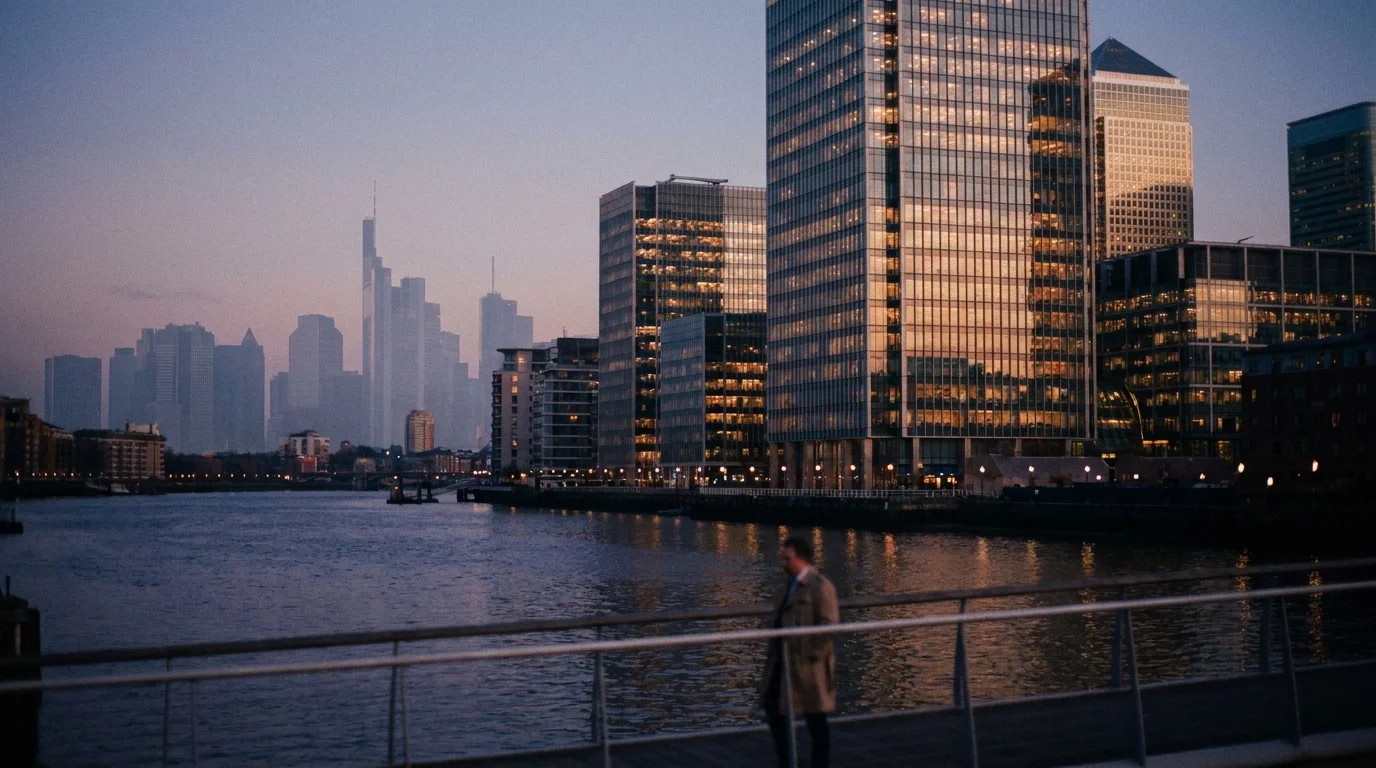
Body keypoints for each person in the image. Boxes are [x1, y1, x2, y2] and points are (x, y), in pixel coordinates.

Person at [760, 535, 839, 767]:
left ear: (800, 558)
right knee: (774, 710)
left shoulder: (821, 587)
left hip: (809, 667)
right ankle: (787, 761)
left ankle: (818, 764)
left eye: (787, 558)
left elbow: (829, 626)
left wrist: (810, 651)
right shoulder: (786, 587)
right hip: (783, 662)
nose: (782, 563)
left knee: (816, 720)